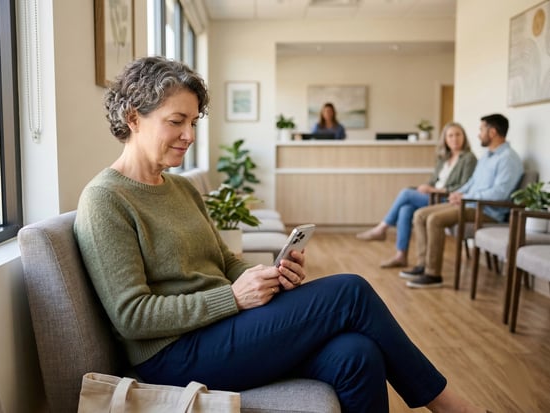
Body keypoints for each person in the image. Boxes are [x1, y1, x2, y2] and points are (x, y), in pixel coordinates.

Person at [74, 56, 486, 412]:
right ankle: (448, 404)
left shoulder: (180, 188)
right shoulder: (105, 200)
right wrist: (233, 297)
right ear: (133, 118)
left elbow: (224, 261)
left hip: (224, 329)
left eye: (193, 122)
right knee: (351, 291)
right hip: (174, 354)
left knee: (358, 355)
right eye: (176, 122)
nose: (190, 136)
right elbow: (132, 317)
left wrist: (267, 275)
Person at [401, 113, 524, 289]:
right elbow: (471, 183)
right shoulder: (486, 157)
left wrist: (466, 198)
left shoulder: (508, 159)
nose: (478, 134)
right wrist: (458, 193)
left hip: (488, 211)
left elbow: (500, 194)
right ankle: (422, 265)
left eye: (482, 129)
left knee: (434, 219)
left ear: (493, 132)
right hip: (470, 204)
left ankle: (433, 274)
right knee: (420, 214)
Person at [356, 122, 477, 268]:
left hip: (447, 199)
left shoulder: (468, 158)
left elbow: (463, 186)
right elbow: (434, 180)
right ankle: (401, 255)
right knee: (405, 209)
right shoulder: (444, 158)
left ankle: (382, 228)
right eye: (450, 135)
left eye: (458, 135)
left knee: (405, 193)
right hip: (434, 195)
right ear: (445, 139)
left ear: (464, 137)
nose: (454, 139)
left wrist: (434, 191)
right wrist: (426, 187)